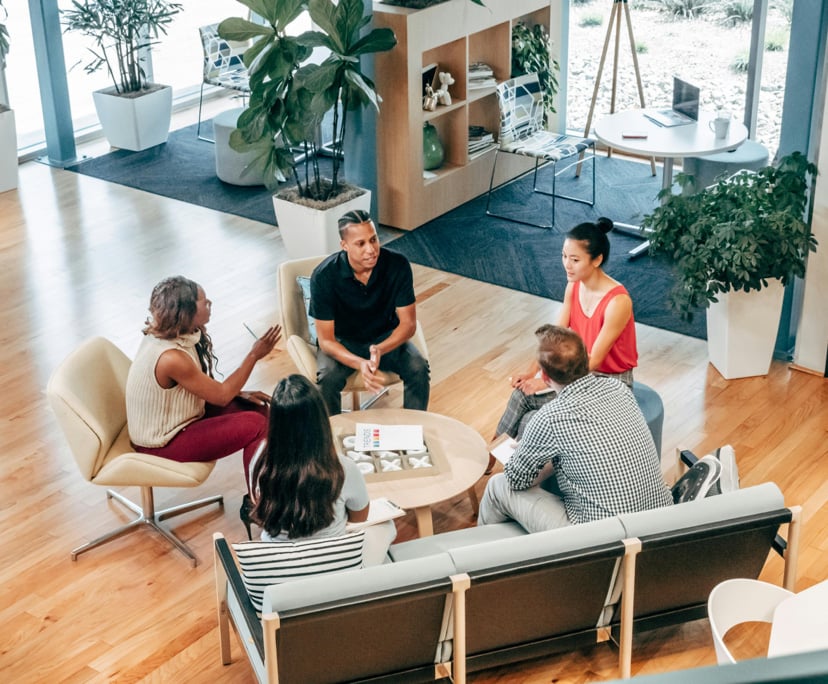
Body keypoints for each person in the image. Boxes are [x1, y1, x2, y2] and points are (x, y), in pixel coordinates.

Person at [479, 325, 672, 533]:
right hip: (660, 522)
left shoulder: (550, 418)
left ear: (545, 378)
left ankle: (480, 550)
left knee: (497, 486)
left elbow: (516, 480)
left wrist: (530, 453)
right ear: (587, 359)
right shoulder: (619, 389)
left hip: (601, 538)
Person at [125, 276, 281, 487]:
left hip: (182, 417)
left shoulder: (176, 334)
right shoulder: (171, 357)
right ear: (185, 311)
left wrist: (237, 393)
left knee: (260, 409)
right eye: (203, 301)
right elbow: (222, 396)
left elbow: (203, 387)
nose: (209, 303)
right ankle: (260, 501)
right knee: (257, 425)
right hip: (160, 443)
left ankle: (272, 489)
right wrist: (254, 355)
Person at [494, 217, 637, 442]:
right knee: (520, 396)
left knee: (533, 420)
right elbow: (554, 338)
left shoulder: (618, 302)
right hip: (577, 372)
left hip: (610, 382)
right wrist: (531, 372)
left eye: (575, 259)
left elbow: (594, 361)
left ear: (597, 259)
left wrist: (546, 380)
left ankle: (517, 463)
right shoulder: (574, 285)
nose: (567, 265)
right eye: (564, 256)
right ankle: (489, 455)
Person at [247, 374, 396, 565]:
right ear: (320, 421)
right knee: (386, 526)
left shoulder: (260, 462)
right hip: (333, 564)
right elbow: (359, 518)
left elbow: (258, 502)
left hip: (280, 564)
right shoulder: (342, 468)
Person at [309, 209, 430, 415]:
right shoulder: (323, 276)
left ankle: (414, 428)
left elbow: (408, 324)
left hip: (385, 337)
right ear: (344, 245)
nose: (371, 250)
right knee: (328, 378)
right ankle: (331, 431)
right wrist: (360, 363)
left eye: (373, 239)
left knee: (418, 368)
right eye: (361, 243)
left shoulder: (397, 265)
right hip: (343, 341)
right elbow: (326, 341)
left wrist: (380, 349)